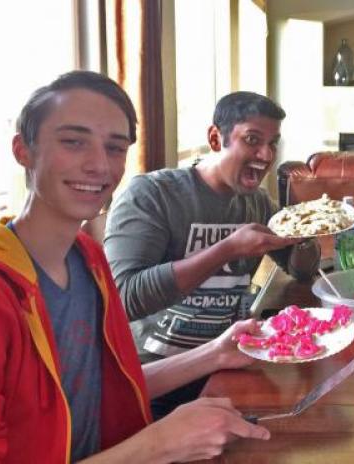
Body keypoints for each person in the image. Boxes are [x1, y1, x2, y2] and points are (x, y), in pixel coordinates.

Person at [0, 70, 270, 462]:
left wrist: (217, 353)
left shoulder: (87, 261)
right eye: (73, 142)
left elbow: (106, 391)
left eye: (115, 148)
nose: (99, 165)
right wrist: (158, 444)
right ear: (23, 151)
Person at [103, 91, 320, 418]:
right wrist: (228, 249)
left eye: (273, 143)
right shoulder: (153, 195)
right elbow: (123, 297)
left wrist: (303, 236)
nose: (266, 154)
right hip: (156, 379)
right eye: (252, 139)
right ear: (216, 138)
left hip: (227, 364)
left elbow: (301, 269)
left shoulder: (256, 202)